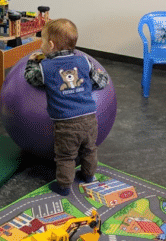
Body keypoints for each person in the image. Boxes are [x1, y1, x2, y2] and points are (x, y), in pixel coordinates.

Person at [24, 19, 109, 196]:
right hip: (90, 118)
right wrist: (91, 81)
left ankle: (63, 186)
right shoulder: (84, 61)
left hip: (66, 123)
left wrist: (32, 62)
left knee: (65, 156)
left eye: (42, 41)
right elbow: (101, 82)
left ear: (51, 45)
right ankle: (88, 176)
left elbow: (31, 78)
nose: (41, 45)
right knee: (89, 149)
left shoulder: (45, 67)